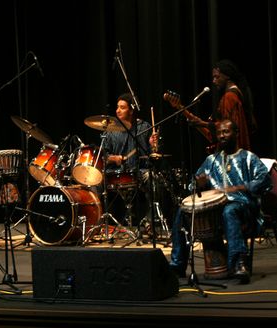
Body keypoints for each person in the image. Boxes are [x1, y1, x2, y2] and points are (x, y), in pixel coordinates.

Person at [169, 119, 271, 283]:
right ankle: (177, 265)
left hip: (244, 209)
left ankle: (239, 263)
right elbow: (192, 185)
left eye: (226, 132)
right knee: (182, 211)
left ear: (236, 133)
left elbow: (265, 181)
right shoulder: (211, 160)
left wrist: (237, 188)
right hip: (215, 214)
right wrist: (198, 184)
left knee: (230, 210)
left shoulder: (248, 158)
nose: (222, 136)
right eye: (219, 133)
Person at [101, 93, 159, 226]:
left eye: (122, 107)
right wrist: (113, 158)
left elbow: (153, 155)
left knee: (153, 178)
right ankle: (101, 223)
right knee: (94, 180)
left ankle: (149, 222)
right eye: (117, 107)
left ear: (131, 110)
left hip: (139, 172)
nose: (117, 110)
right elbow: (102, 157)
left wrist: (152, 145)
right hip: (116, 174)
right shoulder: (110, 130)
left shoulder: (144, 127)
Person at [180, 59, 256, 151]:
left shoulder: (229, 97)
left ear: (227, 76)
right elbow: (214, 135)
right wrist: (184, 111)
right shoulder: (236, 95)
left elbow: (228, 129)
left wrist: (203, 123)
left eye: (217, 77)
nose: (214, 81)